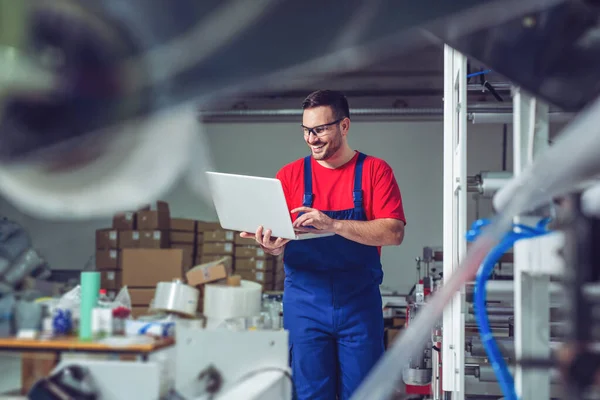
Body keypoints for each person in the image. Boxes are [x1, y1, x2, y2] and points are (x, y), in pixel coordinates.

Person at [240, 89, 406, 400]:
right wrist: (271, 246)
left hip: (358, 303)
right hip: (304, 304)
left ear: (344, 126)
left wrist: (332, 224)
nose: (312, 138)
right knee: (310, 393)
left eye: (320, 129)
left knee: (364, 392)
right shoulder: (289, 176)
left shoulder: (375, 171)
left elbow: (393, 232)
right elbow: (280, 242)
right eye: (306, 130)